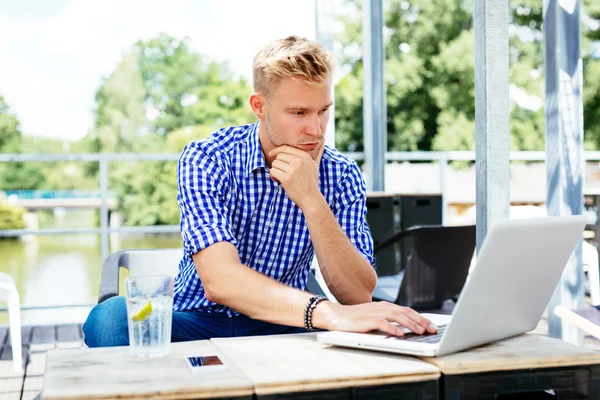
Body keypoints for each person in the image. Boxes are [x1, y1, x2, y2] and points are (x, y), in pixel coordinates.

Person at [83, 35, 437, 347]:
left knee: (375, 337)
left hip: (285, 324)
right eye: (298, 112)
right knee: (110, 320)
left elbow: (358, 295)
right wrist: (325, 312)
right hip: (198, 321)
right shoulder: (208, 159)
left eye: (323, 111)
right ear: (259, 106)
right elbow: (220, 281)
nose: (315, 129)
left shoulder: (341, 174)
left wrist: (312, 200)